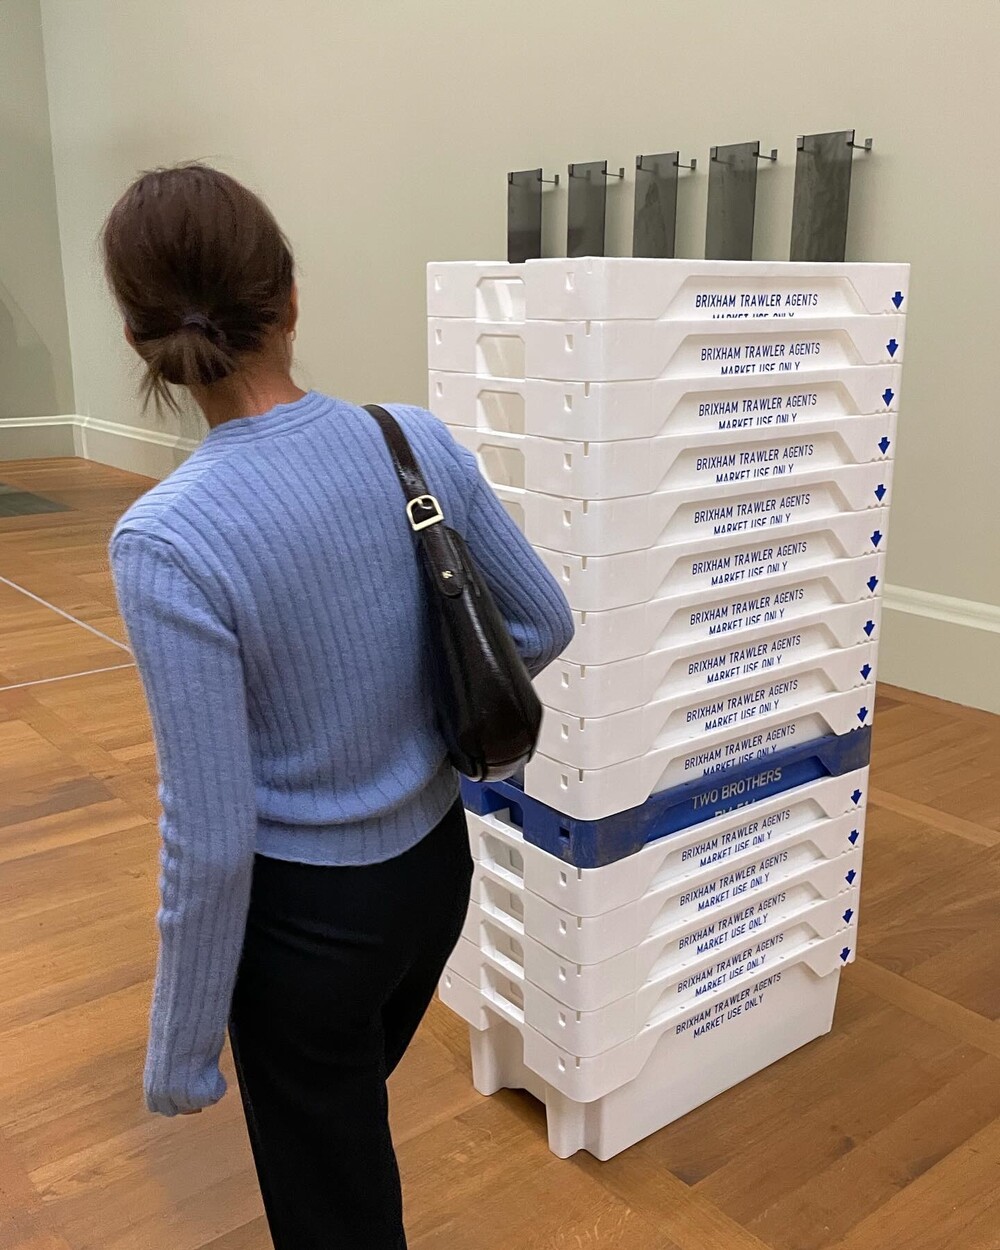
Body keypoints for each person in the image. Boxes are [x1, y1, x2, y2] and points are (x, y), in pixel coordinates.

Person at [103, 163, 574, 1249]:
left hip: (303, 933)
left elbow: (210, 832)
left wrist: (182, 1046)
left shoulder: (168, 538)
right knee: (347, 1126)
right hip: (434, 880)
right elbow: (542, 621)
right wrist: (414, 734)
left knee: (333, 1199)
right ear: (290, 298)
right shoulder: (412, 440)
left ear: (140, 341)